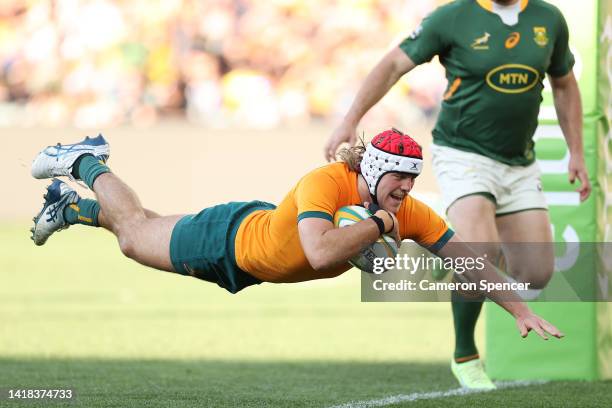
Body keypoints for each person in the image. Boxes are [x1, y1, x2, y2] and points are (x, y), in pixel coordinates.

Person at [30, 130, 561, 350]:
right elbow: (319, 252)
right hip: (230, 240)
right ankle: (83, 159)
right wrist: (376, 227)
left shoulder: (407, 210)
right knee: (134, 234)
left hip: (252, 245)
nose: (407, 188)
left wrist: (516, 309)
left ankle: (72, 205)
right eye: (398, 176)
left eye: (413, 179)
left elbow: (466, 261)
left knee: (144, 223)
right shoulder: (325, 182)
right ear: (373, 170)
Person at [324, 0, 591, 390]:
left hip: (519, 162)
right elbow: (393, 65)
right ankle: (465, 354)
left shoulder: (549, 18)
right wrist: (350, 121)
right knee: (480, 251)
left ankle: (451, 252)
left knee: (536, 272)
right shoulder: (453, 17)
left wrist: (577, 152)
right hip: (462, 153)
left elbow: (565, 84)